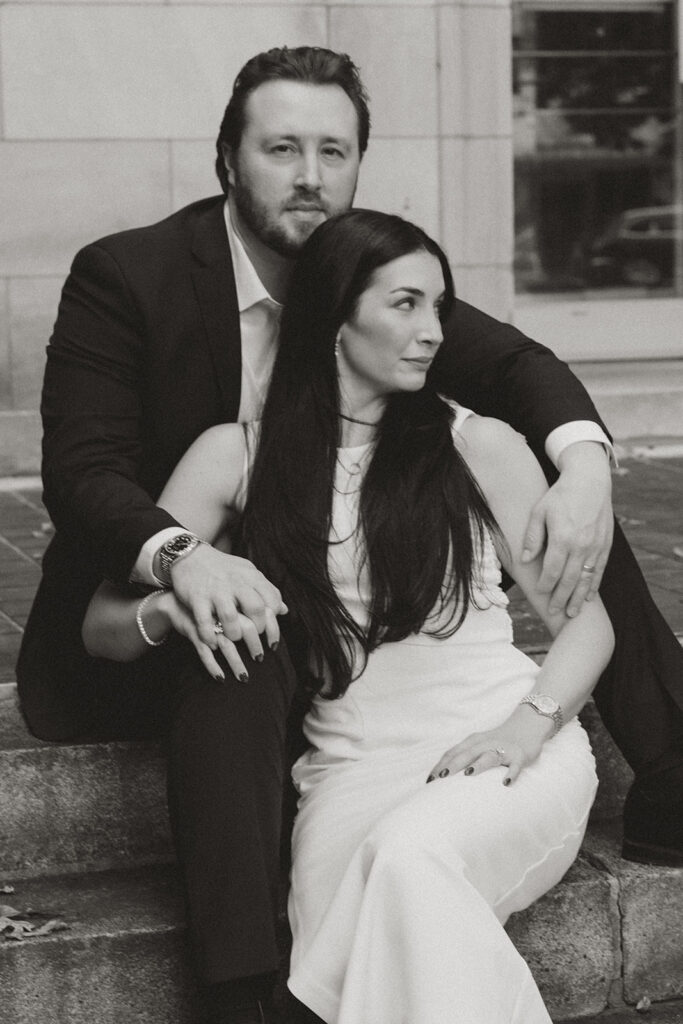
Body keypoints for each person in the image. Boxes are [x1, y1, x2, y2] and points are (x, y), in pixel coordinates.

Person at [14, 41, 682, 1023]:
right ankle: (243, 985)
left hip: (404, 678)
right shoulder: (132, 279)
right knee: (241, 637)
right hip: (217, 621)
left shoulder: (379, 290)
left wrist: (583, 466)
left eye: (334, 151)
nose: (310, 175)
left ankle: (663, 757)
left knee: (559, 505)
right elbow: (85, 474)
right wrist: (180, 560)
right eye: (282, 148)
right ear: (228, 157)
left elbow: (519, 367)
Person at [82, 209, 616, 1024]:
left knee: (409, 861)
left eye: (438, 305)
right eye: (404, 303)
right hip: (349, 770)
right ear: (333, 314)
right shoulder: (235, 456)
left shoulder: (479, 445)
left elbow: (590, 626)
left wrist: (527, 726)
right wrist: (173, 601)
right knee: (347, 937)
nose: (432, 330)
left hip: (502, 743)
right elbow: (103, 626)